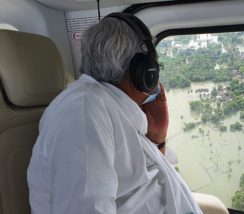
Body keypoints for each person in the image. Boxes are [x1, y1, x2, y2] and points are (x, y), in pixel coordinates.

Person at [27, 13, 202, 214]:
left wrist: (157, 140)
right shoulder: (84, 113)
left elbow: (143, 180)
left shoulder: (111, 108)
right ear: (143, 71)